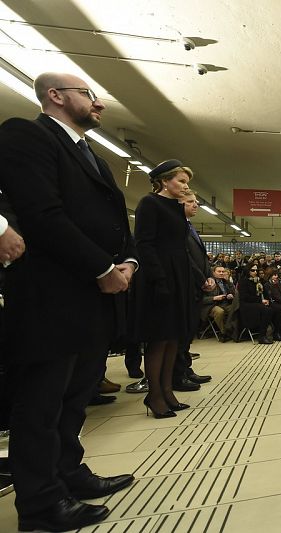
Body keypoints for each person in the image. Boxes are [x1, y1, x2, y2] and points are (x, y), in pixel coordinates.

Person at [0, 72, 137, 531]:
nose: (98, 105)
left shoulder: (91, 156)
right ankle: (39, 503)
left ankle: (69, 473)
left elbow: (114, 219)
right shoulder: (26, 136)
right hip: (52, 295)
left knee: (76, 396)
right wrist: (102, 268)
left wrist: (129, 262)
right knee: (41, 405)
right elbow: (43, 214)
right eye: (89, 95)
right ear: (55, 97)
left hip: (92, 297)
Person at [131, 159, 195, 419]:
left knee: (173, 337)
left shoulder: (176, 207)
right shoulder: (149, 203)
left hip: (178, 274)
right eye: (180, 181)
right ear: (164, 181)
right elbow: (144, 244)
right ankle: (154, 394)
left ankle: (168, 390)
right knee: (159, 338)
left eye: (186, 182)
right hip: (159, 276)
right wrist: (159, 280)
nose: (184, 186)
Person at [174, 190, 213, 390]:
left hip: (198, 285)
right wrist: (201, 279)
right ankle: (178, 374)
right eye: (190, 202)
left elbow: (202, 257)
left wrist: (210, 276)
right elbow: (186, 258)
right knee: (181, 333)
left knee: (189, 332)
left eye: (196, 201)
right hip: (188, 284)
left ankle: (186, 369)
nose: (196, 205)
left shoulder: (190, 227)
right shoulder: (177, 227)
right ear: (178, 204)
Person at [238, 260, 278, 344]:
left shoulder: (258, 280)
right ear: (248, 271)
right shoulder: (243, 281)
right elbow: (245, 297)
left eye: (256, 270)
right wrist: (261, 301)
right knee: (267, 310)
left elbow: (264, 293)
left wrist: (267, 301)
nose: (255, 272)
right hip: (247, 305)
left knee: (276, 308)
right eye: (252, 270)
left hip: (257, 303)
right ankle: (262, 336)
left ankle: (276, 333)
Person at [201, 265, 236, 341]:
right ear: (213, 273)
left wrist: (231, 295)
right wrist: (214, 298)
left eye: (223, 272)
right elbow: (201, 299)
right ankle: (224, 333)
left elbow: (235, 294)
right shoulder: (208, 283)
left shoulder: (227, 283)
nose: (221, 273)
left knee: (235, 309)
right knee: (220, 311)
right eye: (219, 271)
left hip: (225, 303)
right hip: (211, 305)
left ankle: (233, 331)